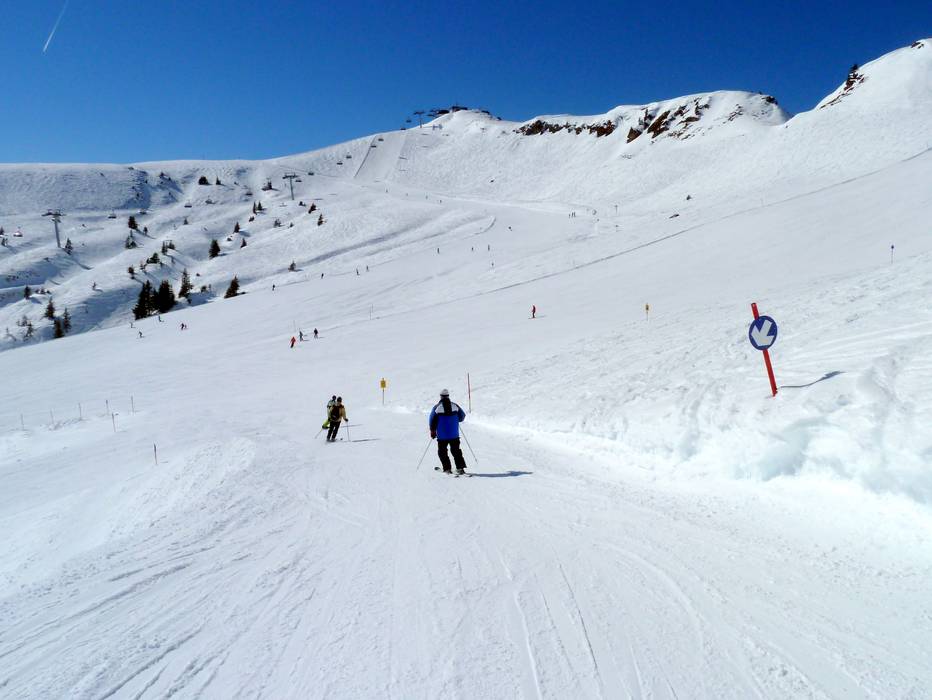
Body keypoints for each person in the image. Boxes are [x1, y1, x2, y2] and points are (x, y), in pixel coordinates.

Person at [429, 389, 467, 474]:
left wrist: (432, 431)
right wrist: (455, 419)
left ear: (441, 396)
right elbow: (462, 416)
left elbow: (432, 420)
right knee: (456, 451)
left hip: (442, 435)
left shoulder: (437, 407)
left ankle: (447, 469)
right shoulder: (455, 406)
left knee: (442, 452)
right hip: (454, 434)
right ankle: (460, 468)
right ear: (448, 396)